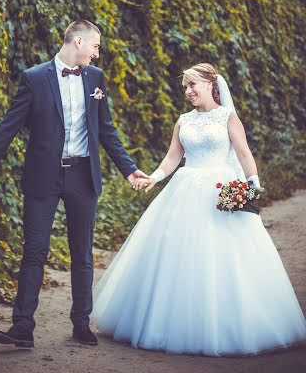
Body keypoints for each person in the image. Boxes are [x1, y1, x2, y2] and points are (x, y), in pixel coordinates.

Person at [92, 63, 306, 356]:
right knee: (179, 257)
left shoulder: (227, 117)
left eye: (193, 85)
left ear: (210, 84)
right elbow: (172, 159)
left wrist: (252, 184)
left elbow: (243, 153)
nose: (189, 92)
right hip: (185, 190)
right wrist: (153, 178)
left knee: (227, 258)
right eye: (185, 88)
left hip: (221, 192)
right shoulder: (183, 121)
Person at [0, 19, 147, 348]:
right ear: (79, 42)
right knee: (34, 251)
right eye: (96, 46)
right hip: (43, 177)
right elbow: (8, 127)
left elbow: (106, 130)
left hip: (83, 175)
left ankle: (81, 323)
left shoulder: (96, 79)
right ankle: (22, 327)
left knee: (82, 254)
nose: (97, 54)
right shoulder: (35, 78)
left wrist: (129, 170)